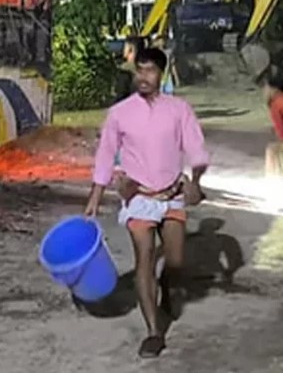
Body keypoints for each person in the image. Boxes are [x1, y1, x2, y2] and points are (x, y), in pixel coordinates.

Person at [84, 46, 209, 359]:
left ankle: (166, 287)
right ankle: (154, 332)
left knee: (177, 263)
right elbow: (105, 154)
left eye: (150, 70)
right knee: (144, 258)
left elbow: (196, 148)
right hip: (137, 197)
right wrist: (95, 198)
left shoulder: (179, 110)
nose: (143, 76)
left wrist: (196, 183)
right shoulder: (120, 113)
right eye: (139, 70)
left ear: (161, 73)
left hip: (172, 194)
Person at [257, 67, 283, 177]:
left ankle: (273, 179)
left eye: (264, 88)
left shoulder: (278, 102)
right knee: (273, 150)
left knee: (271, 151)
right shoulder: (278, 101)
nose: (263, 92)